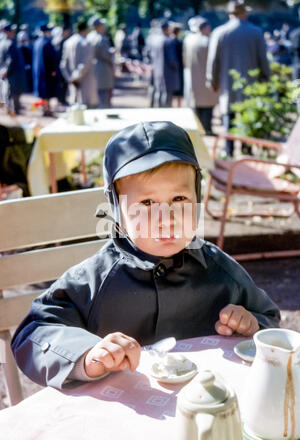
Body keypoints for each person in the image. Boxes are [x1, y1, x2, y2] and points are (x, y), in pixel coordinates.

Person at [11, 121, 280, 388]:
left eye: (179, 199)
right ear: (117, 211)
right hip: (119, 418)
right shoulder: (94, 280)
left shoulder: (221, 271)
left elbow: (269, 320)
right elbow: (32, 334)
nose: (166, 219)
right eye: (147, 203)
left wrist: (252, 325)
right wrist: (86, 355)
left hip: (205, 412)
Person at [206, 0, 270, 155]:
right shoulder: (256, 32)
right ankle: (246, 150)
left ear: (229, 14)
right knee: (248, 117)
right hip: (251, 84)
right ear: (244, 13)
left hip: (227, 84)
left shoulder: (219, 32)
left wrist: (212, 81)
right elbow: (263, 60)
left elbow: (213, 61)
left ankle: (228, 151)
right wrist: (265, 81)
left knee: (228, 116)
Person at [183, 18, 218, 135]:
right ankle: (207, 128)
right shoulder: (208, 41)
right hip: (206, 77)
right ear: (205, 28)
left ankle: (197, 128)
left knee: (195, 104)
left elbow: (184, 59)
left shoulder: (188, 40)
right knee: (208, 105)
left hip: (192, 77)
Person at [60, 20, 98, 108]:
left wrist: (69, 78)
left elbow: (63, 64)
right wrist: (76, 77)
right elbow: (85, 63)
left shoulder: (68, 42)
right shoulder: (86, 42)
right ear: (85, 30)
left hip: (72, 80)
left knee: (74, 108)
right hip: (84, 81)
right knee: (86, 108)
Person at [150, 21, 180, 107]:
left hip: (157, 71)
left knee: (158, 92)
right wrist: (177, 67)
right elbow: (172, 60)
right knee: (167, 95)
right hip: (168, 72)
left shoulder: (155, 40)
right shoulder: (169, 41)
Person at [32, 24, 59, 116]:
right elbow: (50, 58)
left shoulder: (37, 42)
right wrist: (53, 70)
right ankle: (47, 109)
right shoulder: (47, 43)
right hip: (47, 72)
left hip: (38, 72)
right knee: (47, 92)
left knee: (42, 92)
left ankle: (44, 108)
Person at [88, 17, 115, 108]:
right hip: (103, 69)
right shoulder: (102, 39)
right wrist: (112, 52)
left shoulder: (89, 36)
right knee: (104, 96)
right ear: (98, 27)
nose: (104, 27)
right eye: (102, 25)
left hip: (92, 68)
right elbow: (106, 55)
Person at [0, 24, 26, 115]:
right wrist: (6, 70)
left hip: (6, 71)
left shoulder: (3, 42)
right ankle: (14, 109)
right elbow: (10, 59)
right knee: (13, 92)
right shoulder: (10, 43)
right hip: (12, 72)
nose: (13, 33)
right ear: (7, 32)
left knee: (8, 91)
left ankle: (9, 108)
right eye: (12, 31)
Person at [171, 24, 184, 107]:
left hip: (171, 69)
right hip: (179, 68)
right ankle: (178, 107)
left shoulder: (169, 41)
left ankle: (173, 106)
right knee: (179, 90)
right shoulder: (179, 42)